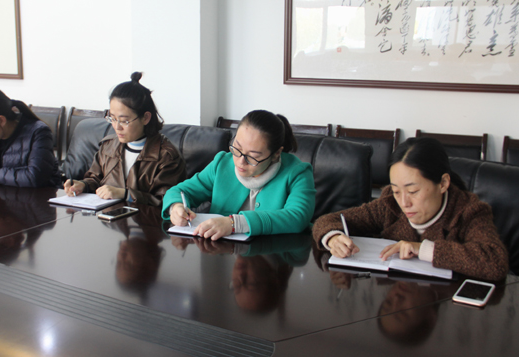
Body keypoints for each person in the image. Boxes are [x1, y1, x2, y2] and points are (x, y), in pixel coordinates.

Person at [312, 137, 509, 281]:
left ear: (443, 183)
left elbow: (495, 262)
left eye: (413, 191)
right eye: (397, 191)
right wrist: (333, 238)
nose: (404, 202)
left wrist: (422, 249)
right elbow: (327, 220)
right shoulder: (390, 203)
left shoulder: (468, 211)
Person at [163, 109, 316, 238]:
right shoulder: (222, 163)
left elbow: (297, 217)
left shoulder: (298, 173)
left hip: (275, 256)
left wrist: (234, 223)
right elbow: (179, 191)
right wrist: (176, 207)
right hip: (221, 255)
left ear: (276, 153)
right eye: (237, 148)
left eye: (253, 157)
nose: (240, 161)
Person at [63, 72, 186, 206]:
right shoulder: (108, 146)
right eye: (112, 118)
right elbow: (96, 180)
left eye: (124, 121)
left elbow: (167, 202)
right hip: (108, 217)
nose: (117, 127)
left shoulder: (166, 156)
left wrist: (126, 194)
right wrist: (83, 185)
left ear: (145, 118)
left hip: (143, 219)